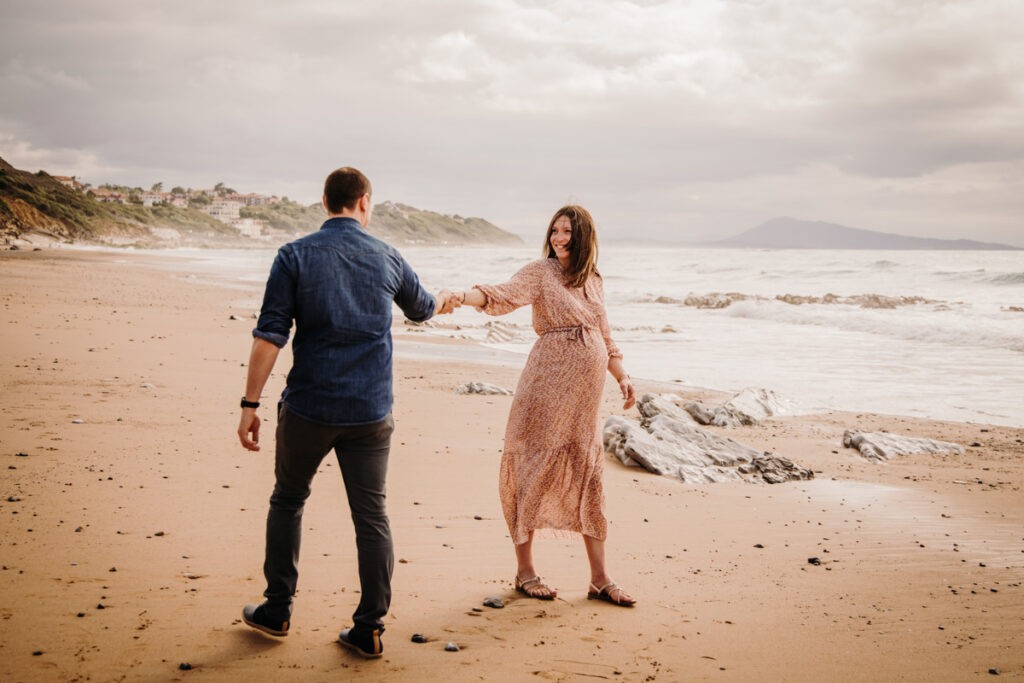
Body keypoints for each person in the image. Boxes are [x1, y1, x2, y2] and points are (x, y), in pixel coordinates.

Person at [236, 166, 455, 658]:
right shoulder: (387, 256)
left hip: (310, 407)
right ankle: (370, 627)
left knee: (288, 500)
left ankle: (277, 609)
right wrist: (452, 299)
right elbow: (422, 308)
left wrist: (250, 404)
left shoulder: (294, 255)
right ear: (364, 201)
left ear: (325, 201)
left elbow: (271, 333)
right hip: (371, 413)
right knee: (371, 514)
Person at [448, 205, 637, 607]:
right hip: (545, 387)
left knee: (589, 474)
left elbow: (605, 335)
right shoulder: (540, 272)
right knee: (532, 469)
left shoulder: (594, 280)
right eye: (555, 230)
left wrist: (621, 376)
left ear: (584, 236)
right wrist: (460, 296)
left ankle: (600, 579)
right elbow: (500, 295)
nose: (559, 237)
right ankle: (524, 571)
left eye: (567, 231)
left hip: (584, 399)